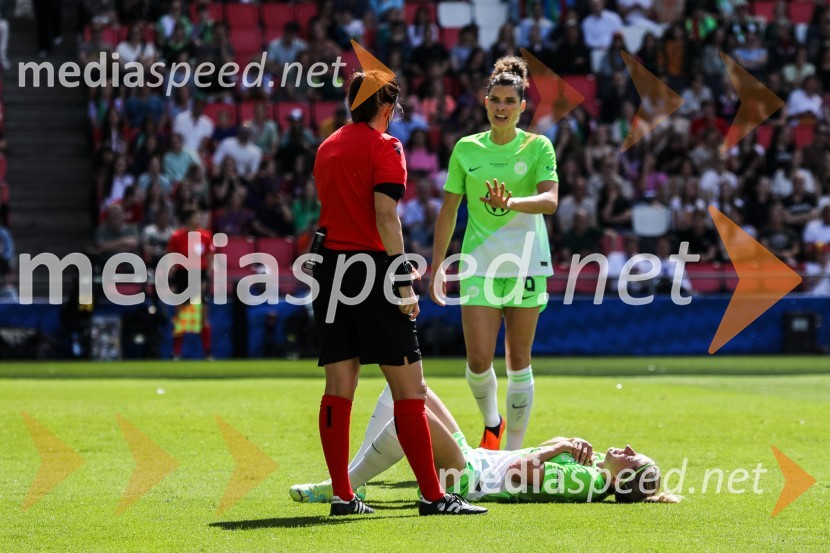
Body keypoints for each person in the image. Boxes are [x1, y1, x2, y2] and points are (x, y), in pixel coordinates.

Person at [310, 69, 486, 517]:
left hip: (329, 269)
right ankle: (433, 496)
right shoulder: (387, 147)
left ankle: (342, 497)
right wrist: (402, 279)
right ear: (386, 109)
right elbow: (385, 216)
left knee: (338, 387)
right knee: (411, 389)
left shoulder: (327, 146)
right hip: (372, 270)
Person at [429, 56, 558, 451]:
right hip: (479, 263)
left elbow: (550, 201)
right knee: (479, 361)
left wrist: (513, 201)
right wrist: (437, 267)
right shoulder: (466, 150)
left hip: (526, 261)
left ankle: (514, 453)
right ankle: (493, 423)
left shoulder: (538, 147)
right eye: (495, 100)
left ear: (522, 106)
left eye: (509, 100)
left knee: (519, 360)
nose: (501, 107)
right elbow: (449, 210)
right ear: (485, 103)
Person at [290, 386, 681, 505]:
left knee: (406, 420)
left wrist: (556, 449)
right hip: (477, 460)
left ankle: (340, 487)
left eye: (632, 457)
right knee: (406, 392)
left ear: (625, 477)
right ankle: (345, 483)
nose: (627, 448)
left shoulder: (590, 484)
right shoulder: (594, 472)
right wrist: (560, 443)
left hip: (470, 478)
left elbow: (518, 472)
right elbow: (525, 458)